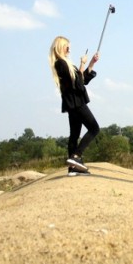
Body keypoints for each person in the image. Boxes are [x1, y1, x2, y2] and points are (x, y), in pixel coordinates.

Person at [49, 36, 100, 176]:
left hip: (72, 104)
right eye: (67, 46)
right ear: (61, 47)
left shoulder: (65, 64)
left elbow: (82, 81)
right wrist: (82, 64)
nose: (69, 49)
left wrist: (91, 63)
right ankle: (76, 157)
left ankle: (73, 168)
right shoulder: (61, 63)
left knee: (74, 135)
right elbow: (78, 85)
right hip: (77, 103)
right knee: (94, 128)